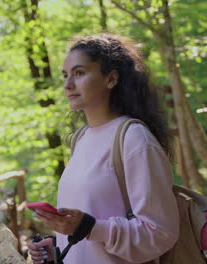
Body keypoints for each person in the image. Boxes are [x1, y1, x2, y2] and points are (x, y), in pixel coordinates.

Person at [27, 34, 179, 263]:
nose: (68, 84)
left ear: (111, 79)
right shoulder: (81, 140)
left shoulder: (134, 138)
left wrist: (90, 228)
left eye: (79, 73)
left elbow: (159, 233)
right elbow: (89, 224)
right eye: (65, 75)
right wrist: (58, 242)